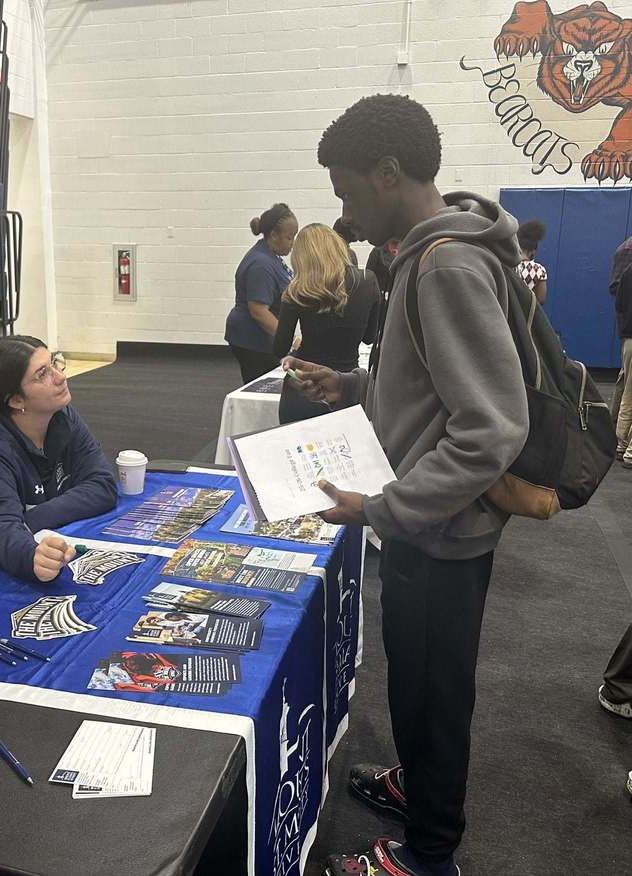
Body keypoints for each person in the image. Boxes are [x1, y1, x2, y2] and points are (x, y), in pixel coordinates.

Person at [286, 94, 529, 876]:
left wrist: (384, 507)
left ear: (389, 174)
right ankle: (419, 785)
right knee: (415, 674)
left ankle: (429, 854)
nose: (342, 208)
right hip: (427, 520)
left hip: (443, 528)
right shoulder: (425, 254)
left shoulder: (446, 263)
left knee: (434, 690)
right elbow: (429, 387)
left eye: (348, 189)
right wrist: (355, 385)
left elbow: (490, 427)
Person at [0, 335, 117, 585]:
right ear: (16, 400)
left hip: (30, 549)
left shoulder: (62, 417)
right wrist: (31, 553)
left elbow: (102, 485)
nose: (60, 377)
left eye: (54, 363)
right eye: (42, 374)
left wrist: (29, 521)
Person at [272, 223, 380, 424]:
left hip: (304, 386)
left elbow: (279, 347)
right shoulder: (368, 281)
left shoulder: (297, 289)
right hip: (346, 385)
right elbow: (369, 337)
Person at [225, 203, 297, 384]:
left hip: (261, 338)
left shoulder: (271, 256)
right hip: (251, 338)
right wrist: (289, 339)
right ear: (273, 235)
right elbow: (258, 310)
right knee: (260, 386)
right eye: (290, 238)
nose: (293, 243)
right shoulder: (261, 265)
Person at [611, 235, 632, 464]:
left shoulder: (626, 273)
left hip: (628, 336)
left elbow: (618, 300)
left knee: (626, 389)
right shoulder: (626, 251)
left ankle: (619, 442)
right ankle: (629, 451)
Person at [516, 219, 548, 305]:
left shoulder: (510, 265)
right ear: (533, 251)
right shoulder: (539, 270)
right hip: (527, 314)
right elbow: (541, 299)